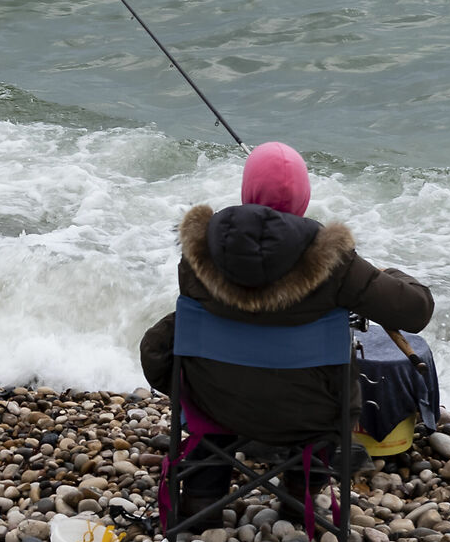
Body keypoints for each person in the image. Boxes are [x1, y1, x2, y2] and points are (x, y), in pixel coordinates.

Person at [139, 142, 433, 517]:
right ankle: (299, 492)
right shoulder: (336, 262)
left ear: (247, 192)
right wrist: (387, 276)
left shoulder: (199, 251)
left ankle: (202, 497)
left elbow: (157, 348)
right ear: (303, 197)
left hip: (216, 403)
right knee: (327, 384)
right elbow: (416, 311)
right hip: (310, 415)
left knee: (212, 372)